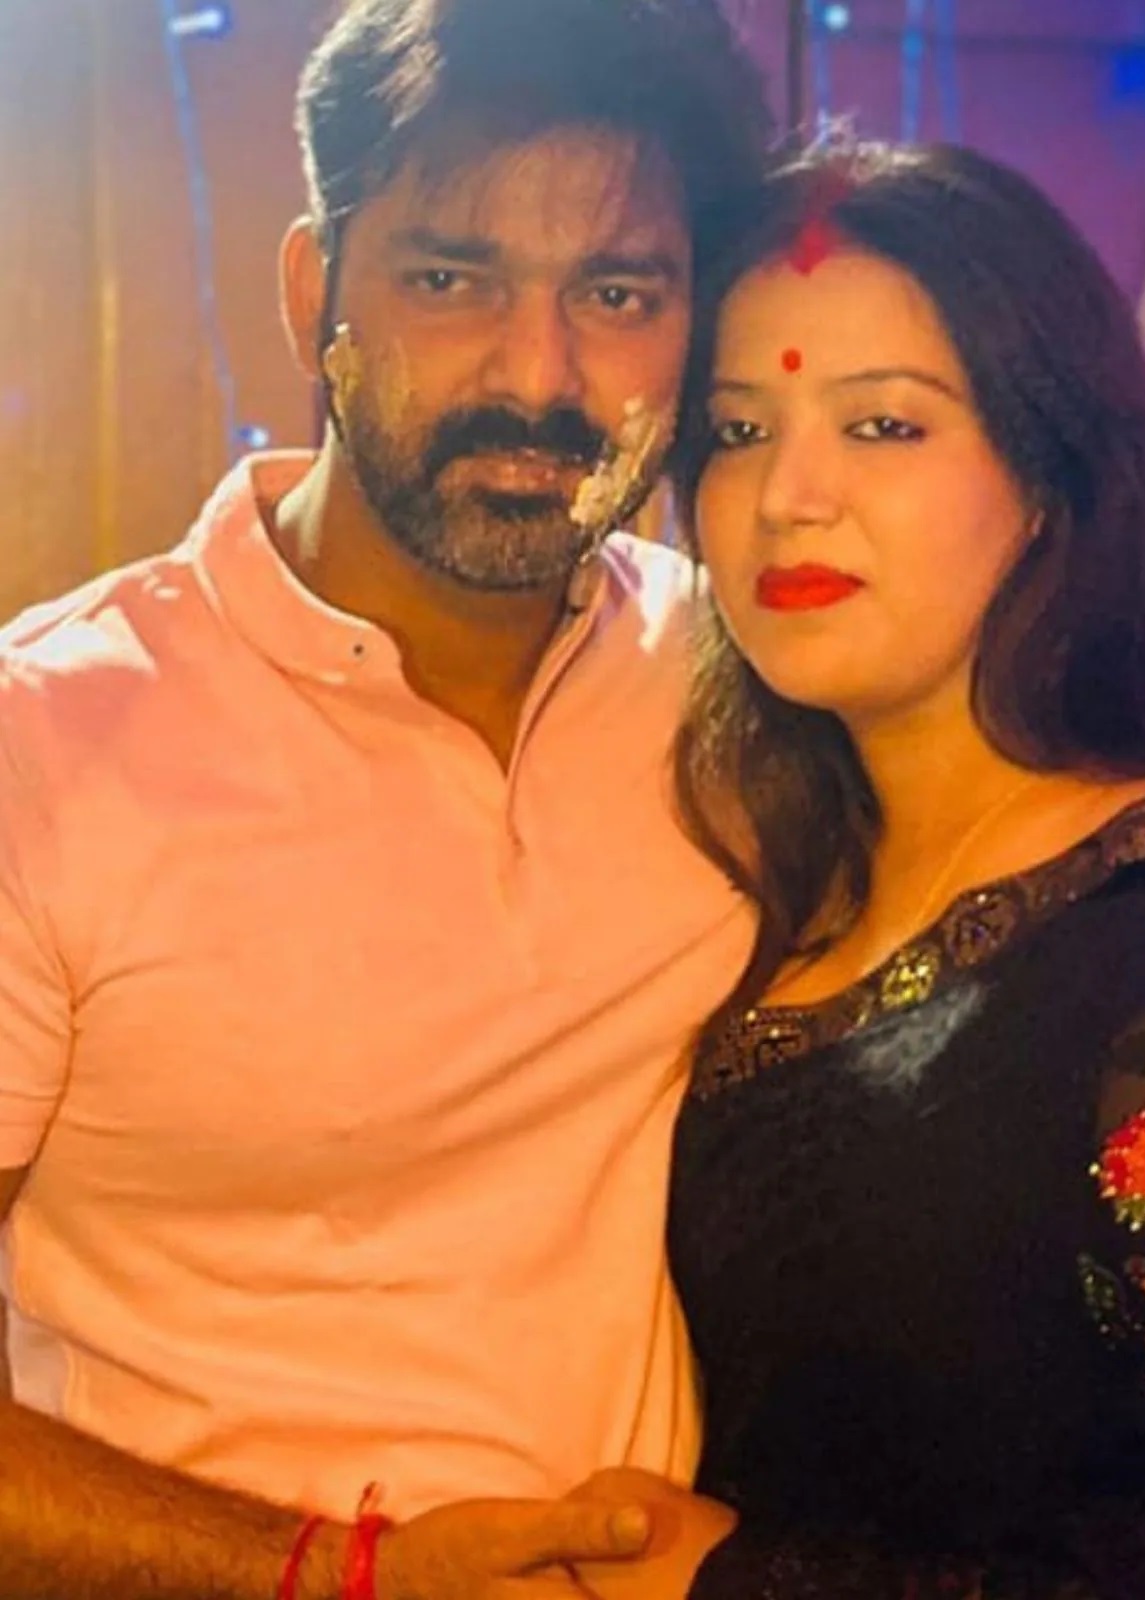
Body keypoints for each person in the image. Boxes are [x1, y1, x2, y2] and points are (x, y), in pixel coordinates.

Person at [557, 143, 1145, 1599]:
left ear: (1047, 478)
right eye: (736, 432)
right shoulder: (749, 910)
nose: (789, 495)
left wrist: (743, 1587)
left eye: (884, 425)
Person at [0, 1, 771, 1596]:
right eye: (449, 279)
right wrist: (332, 1572)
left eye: (616, 294)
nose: (537, 374)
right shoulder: (47, 743)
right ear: (314, 297)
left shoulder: (739, 682)